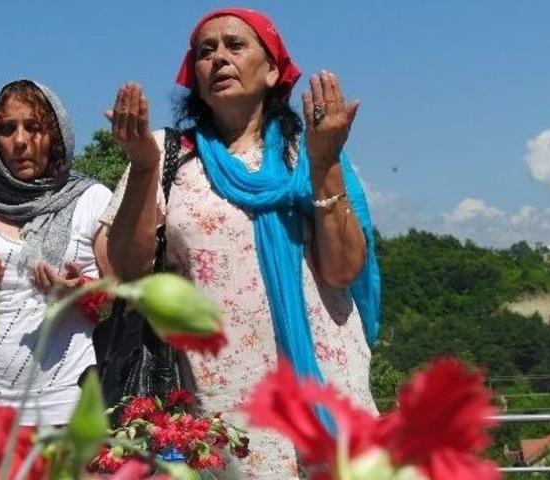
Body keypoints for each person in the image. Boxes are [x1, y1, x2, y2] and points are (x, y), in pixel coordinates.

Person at [100, 8, 379, 478]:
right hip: (225, 406)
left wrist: (327, 163)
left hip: (328, 392)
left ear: (272, 71)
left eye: (235, 45)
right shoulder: (167, 155)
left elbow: (343, 270)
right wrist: (144, 168)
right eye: (205, 52)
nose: (219, 59)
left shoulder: (307, 152)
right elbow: (123, 272)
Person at [0, 80, 113, 428]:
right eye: (7, 129)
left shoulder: (92, 200)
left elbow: (124, 298)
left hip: (65, 409)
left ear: (56, 135)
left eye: (34, 127)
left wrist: (80, 294)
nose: (21, 141)